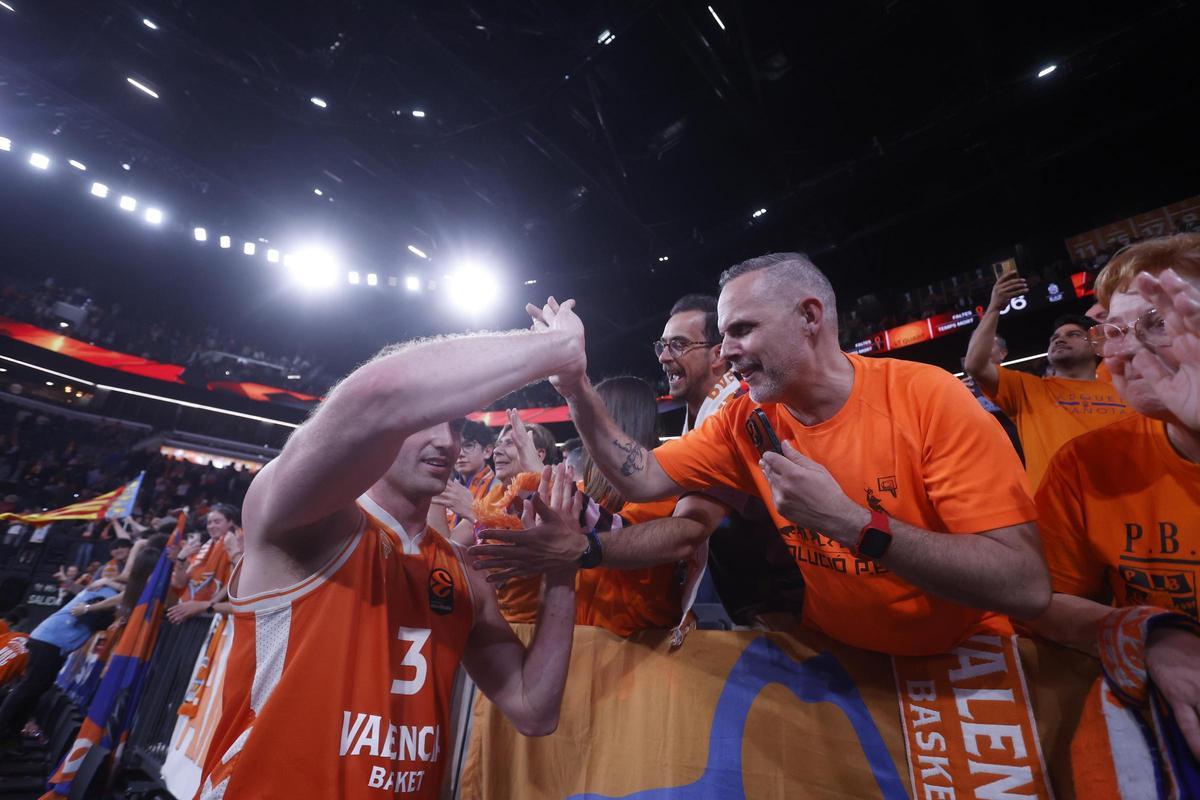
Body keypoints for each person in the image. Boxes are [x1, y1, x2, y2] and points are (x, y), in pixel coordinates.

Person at [540, 253, 1050, 656]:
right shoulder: (744, 421)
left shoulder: (928, 398)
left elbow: (1023, 584)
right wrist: (575, 386)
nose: (727, 351)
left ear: (809, 316)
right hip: (838, 666)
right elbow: (644, 477)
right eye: (723, 335)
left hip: (959, 662)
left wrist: (852, 524)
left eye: (742, 330)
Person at [197, 325, 586, 800]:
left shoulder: (463, 572)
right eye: (425, 419)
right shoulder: (306, 521)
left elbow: (534, 710)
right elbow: (379, 392)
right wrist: (558, 348)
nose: (446, 442)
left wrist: (561, 571)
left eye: (455, 425)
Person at [1029, 235, 1200, 760]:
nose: (1123, 352)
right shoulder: (1084, 466)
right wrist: (1144, 635)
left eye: (1157, 322)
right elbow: (1040, 603)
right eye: (1115, 332)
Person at [964, 272, 1132, 489]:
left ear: (1096, 346)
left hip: (1124, 501)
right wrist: (994, 307)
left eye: (1073, 335)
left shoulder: (1125, 394)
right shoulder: (1026, 390)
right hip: (1056, 508)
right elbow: (975, 364)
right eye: (1055, 337)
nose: (1059, 339)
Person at [0, 540, 160, 742]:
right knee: (30, 687)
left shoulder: (107, 587)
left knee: (37, 687)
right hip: (50, 640)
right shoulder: (106, 592)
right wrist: (110, 613)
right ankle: (5, 729)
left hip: (53, 641)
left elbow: (125, 586)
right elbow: (103, 611)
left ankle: (12, 732)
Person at [656, 294, 740, 433]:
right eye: (663, 345)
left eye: (679, 344)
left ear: (718, 355)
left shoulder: (740, 416)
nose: (663, 357)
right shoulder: (700, 415)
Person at [167, 504, 240, 623]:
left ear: (230, 522)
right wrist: (181, 559)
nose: (212, 526)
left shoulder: (235, 545)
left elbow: (234, 580)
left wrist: (208, 604)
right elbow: (180, 584)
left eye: (217, 522)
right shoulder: (202, 548)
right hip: (188, 612)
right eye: (209, 523)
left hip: (212, 616)